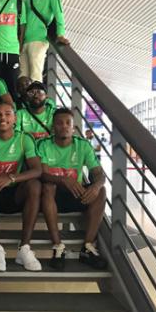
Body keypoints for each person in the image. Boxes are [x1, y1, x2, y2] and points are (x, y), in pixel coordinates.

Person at [0, 103, 43, 271]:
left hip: (15, 193)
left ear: (15, 118)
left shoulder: (24, 139)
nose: (2, 117)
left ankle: (24, 248)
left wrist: (11, 178)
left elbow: (37, 170)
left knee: (35, 185)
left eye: (7, 114)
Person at [38, 109, 107, 270]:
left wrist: (96, 186)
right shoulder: (44, 145)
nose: (64, 126)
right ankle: (58, 247)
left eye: (68, 123)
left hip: (76, 194)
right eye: (59, 123)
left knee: (101, 191)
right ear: (53, 127)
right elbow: (42, 174)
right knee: (48, 187)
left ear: (73, 128)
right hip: (51, 198)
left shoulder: (82, 145)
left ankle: (87, 247)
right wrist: (63, 180)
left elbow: (99, 173)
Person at [20, 0, 69, 82]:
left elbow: (59, 13)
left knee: (35, 77)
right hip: (23, 41)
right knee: (22, 79)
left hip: (39, 40)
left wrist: (60, 34)